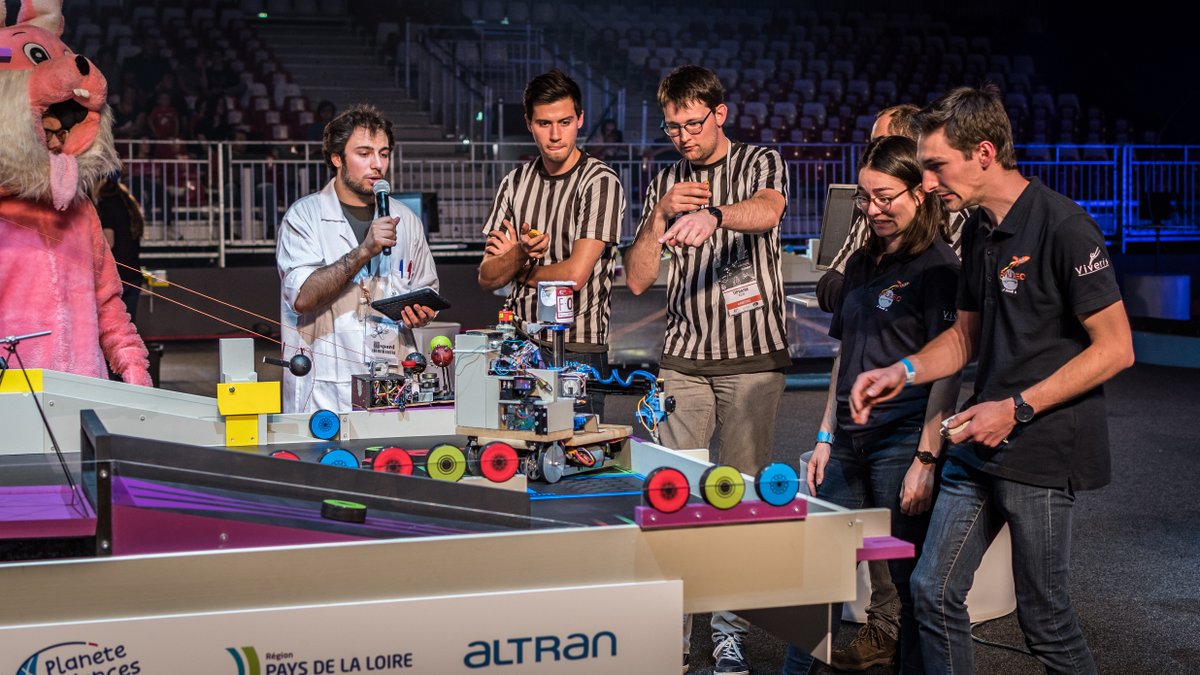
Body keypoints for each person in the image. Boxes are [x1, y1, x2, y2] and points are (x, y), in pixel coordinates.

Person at [850, 85, 1134, 674]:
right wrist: (900, 371)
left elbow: (1117, 349)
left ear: (984, 152)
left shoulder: (1065, 227)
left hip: (1042, 449)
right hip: (978, 444)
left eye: (935, 166)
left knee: (1046, 623)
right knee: (930, 591)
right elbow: (964, 339)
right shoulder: (979, 229)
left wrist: (1017, 408)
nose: (927, 183)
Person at [625, 64, 788, 675]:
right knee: (674, 494)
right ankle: (674, 630)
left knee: (738, 497)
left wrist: (716, 214)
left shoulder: (760, 161)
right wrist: (661, 215)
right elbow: (638, 277)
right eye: (673, 128)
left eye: (694, 124)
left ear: (720, 113)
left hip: (753, 358)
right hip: (683, 361)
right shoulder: (664, 178)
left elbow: (769, 210)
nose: (684, 138)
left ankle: (728, 632)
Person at [782, 136, 962, 675]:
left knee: (909, 590)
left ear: (920, 193)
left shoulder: (940, 268)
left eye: (885, 197)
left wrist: (926, 459)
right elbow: (846, 355)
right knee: (818, 576)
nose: (873, 210)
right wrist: (823, 435)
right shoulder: (862, 260)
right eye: (865, 199)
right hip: (846, 446)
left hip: (900, 443)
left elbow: (948, 368)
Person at [477, 69, 625, 416]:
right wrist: (520, 255)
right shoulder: (514, 183)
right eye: (544, 123)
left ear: (580, 120)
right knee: (515, 458)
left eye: (565, 121)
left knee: (576, 461)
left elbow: (575, 275)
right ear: (529, 123)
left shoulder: (600, 181)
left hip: (578, 348)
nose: (556, 135)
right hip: (519, 344)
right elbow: (486, 278)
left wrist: (519, 267)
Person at [276, 104, 439, 413]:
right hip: (323, 388)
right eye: (364, 154)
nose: (376, 164)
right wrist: (365, 250)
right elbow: (303, 297)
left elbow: (427, 291)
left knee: (390, 460)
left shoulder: (406, 219)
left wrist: (422, 313)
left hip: (392, 381)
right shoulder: (305, 217)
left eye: (384, 153)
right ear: (337, 158)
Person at [93, 173, 145, 322]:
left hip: (117, 278)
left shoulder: (107, 204)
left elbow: (109, 242)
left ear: (101, 181)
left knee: (112, 329)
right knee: (128, 328)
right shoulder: (127, 203)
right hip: (133, 275)